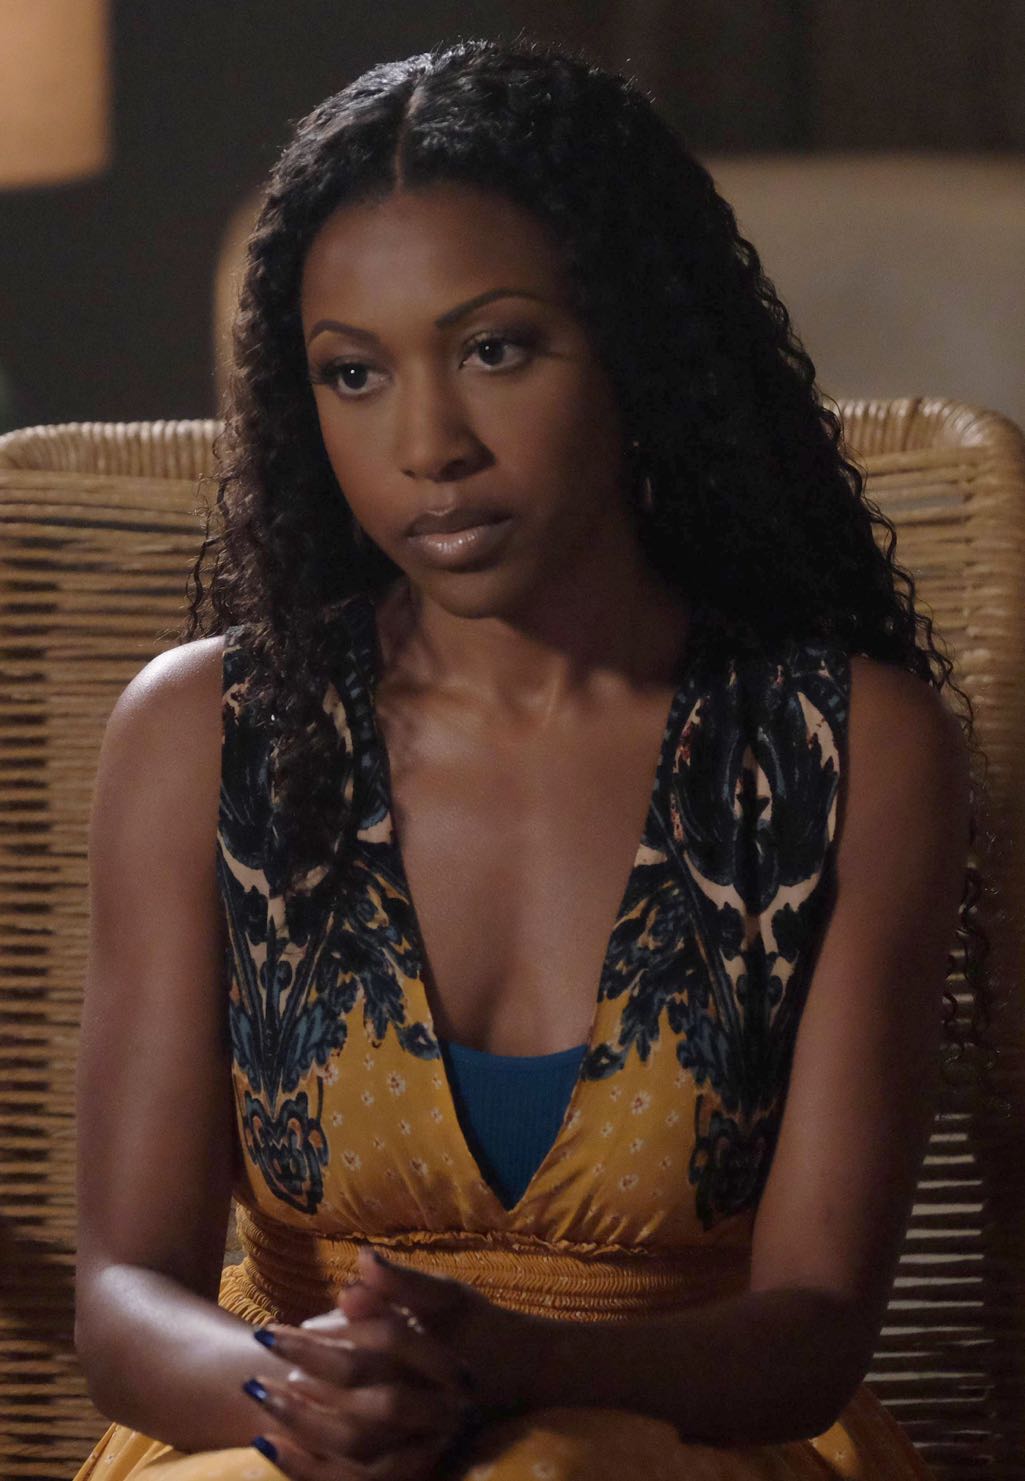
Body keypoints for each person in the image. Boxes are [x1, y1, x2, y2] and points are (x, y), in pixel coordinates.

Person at [72, 33, 980, 1481]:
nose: (428, 444)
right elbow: (124, 1295)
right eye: (353, 373)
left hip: (685, 1447)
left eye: (494, 349)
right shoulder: (206, 732)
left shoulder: (850, 748)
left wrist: (522, 1369)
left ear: (636, 350)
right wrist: (312, 1394)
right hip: (278, 1444)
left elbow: (812, 1329)